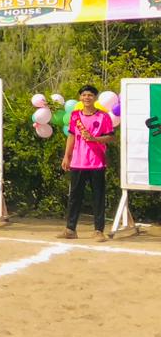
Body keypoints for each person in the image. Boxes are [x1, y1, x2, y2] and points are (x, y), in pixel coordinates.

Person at [59, 84, 115, 241]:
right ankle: (70, 229)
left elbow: (111, 137)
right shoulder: (75, 116)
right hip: (78, 162)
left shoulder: (103, 117)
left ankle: (98, 230)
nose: (87, 98)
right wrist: (67, 156)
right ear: (80, 98)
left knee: (98, 196)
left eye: (90, 95)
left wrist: (95, 139)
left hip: (97, 162)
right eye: (84, 95)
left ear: (95, 98)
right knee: (74, 196)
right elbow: (71, 136)